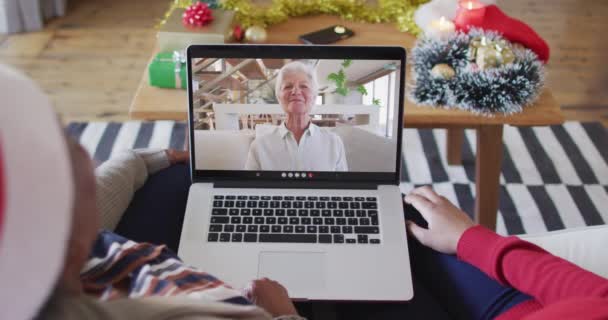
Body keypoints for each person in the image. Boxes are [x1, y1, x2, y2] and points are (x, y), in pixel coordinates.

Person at [0, 64, 305, 320]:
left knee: (175, 171)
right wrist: (283, 314)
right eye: (63, 140)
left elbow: (98, 193)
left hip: (138, 255)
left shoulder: (41, 260)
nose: (85, 152)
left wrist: (141, 159)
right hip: (235, 292)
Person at [245, 61, 348, 171]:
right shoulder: (259, 146)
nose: (296, 91)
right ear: (279, 96)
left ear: (313, 96)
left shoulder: (333, 143)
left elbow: (342, 188)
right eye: (288, 86)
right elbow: (249, 188)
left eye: (303, 86)